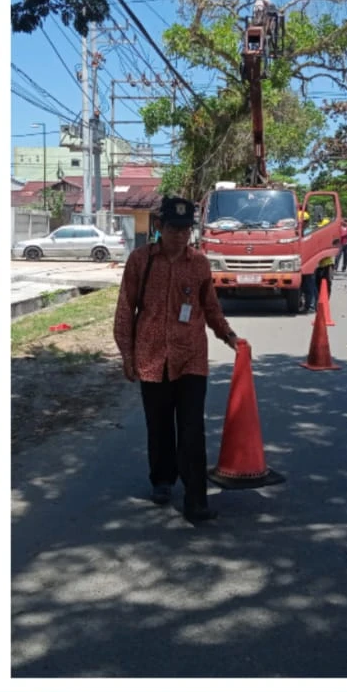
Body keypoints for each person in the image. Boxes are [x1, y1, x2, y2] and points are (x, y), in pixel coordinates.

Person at [114, 192, 239, 523]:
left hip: (191, 357)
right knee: (159, 426)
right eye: (173, 229)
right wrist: (127, 354)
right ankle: (162, 479)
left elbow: (209, 306)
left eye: (185, 230)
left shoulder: (198, 263)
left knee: (191, 428)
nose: (179, 236)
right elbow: (126, 309)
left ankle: (196, 498)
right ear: (159, 226)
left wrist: (227, 335)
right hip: (151, 358)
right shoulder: (141, 261)